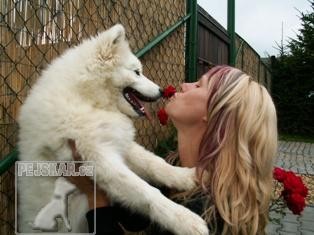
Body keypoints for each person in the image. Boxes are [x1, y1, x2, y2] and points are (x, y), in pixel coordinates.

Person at [67, 65, 278, 235]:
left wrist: (96, 199)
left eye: (198, 86)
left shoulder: (204, 213)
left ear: (217, 113)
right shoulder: (177, 168)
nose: (184, 85)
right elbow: (133, 218)